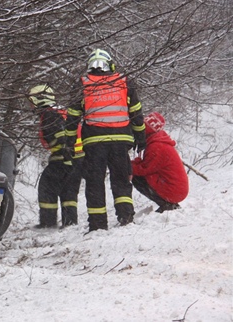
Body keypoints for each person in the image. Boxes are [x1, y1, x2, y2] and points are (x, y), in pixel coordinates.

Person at [65, 49, 146, 232]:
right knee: (121, 179)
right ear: (110, 64)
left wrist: (70, 143)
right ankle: (126, 216)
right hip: (121, 140)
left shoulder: (83, 84)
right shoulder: (124, 82)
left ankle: (98, 224)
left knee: (94, 182)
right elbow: (137, 113)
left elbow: (72, 118)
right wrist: (141, 138)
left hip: (94, 142)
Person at [27, 84, 84, 228]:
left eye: (31, 101)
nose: (30, 105)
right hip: (78, 158)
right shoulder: (61, 112)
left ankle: (48, 223)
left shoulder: (50, 115)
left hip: (64, 157)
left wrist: (65, 153)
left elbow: (60, 135)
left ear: (38, 100)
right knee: (68, 191)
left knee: (47, 187)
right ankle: (70, 222)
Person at [131, 112, 189, 212]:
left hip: (173, 191)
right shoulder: (159, 143)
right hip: (176, 189)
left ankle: (167, 204)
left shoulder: (156, 147)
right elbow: (146, 164)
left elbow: (144, 169)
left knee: (137, 178)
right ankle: (168, 203)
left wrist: (127, 166)